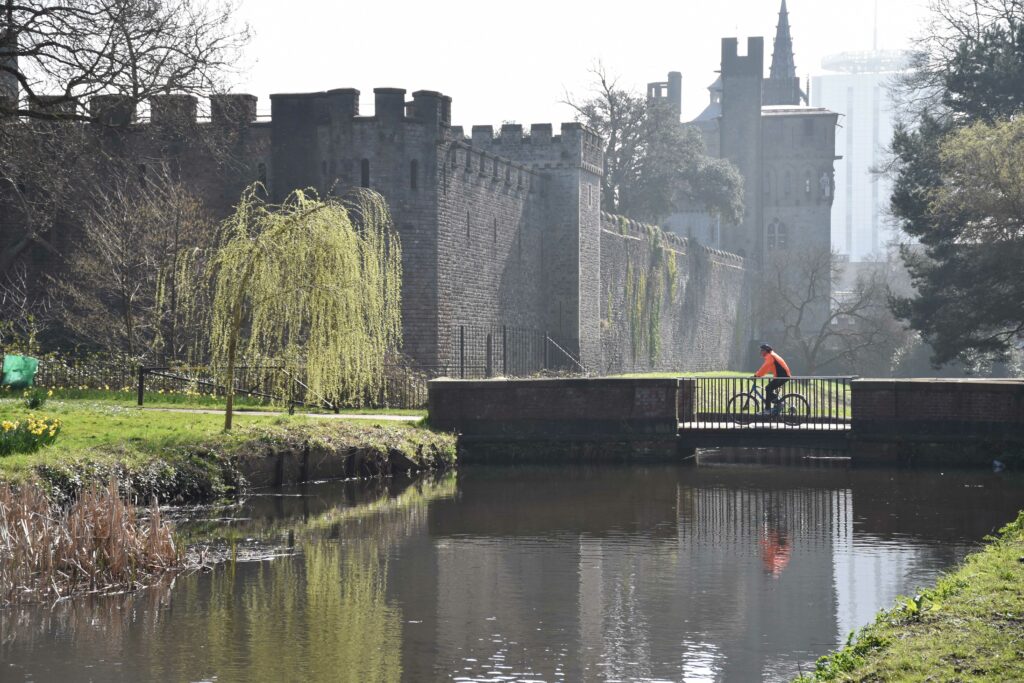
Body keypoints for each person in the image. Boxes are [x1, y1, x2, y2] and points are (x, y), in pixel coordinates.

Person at [754, 343, 791, 415]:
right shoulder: (771, 355)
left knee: (768, 388)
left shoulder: (770, 356)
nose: (761, 352)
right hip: (782, 376)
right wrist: (758, 375)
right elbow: (767, 369)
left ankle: (768, 409)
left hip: (782, 376)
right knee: (769, 389)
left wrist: (756, 375)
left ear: (766, 351)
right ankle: (778, 403)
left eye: (762, 350)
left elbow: (764, 367)